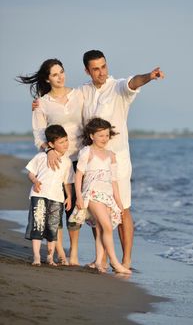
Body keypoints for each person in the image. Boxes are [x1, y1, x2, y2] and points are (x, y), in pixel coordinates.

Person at [31, 51, 165, 268]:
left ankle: (126, 260)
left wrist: (149, 76)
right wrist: (40, 104)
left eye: (103, 66)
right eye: (96, 68)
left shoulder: (118, 87)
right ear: (87, 71)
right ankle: (100, 258)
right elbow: (62, 104)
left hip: (117, 160)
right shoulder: (83, 91)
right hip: (92, 160)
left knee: (123, 209)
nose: (101, 72)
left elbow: (133, 82)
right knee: (97, 209)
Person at [17, 59, 84, 265]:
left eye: (62, 72)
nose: (60, 77)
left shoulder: (79, 95)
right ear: (48, 78)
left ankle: (73, 253)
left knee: (74, 209)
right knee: (57, 205)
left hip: (80, 159)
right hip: (57, 161)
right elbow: (38, 135)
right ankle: (61, 253)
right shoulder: (42, 103)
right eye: (55, 74)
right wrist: (49, 150)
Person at [69, 117, 131, 274]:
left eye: (107, 135)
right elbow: (78, 176)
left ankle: (98, 261)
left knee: (101, 229)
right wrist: (79, 197)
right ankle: (116, 263)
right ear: (92, 136)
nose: (105, 138)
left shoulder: (111, 155)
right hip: (92, 194)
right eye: (101, 135)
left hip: (108, 196)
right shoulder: (86, 152)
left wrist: (118, 202)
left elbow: (114, 181)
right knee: (107, 227)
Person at [25, 124, 74, 266]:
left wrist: (69, 197)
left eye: (66, 140)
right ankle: (36, 257)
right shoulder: (41, 156)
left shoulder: (67, 161)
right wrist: (35, 181)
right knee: (38, 225)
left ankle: (50, 257)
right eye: (61, 142)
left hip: (57, 197)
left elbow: (67, 182)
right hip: (39, 194)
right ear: (51, 144)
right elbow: (30, 172)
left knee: (53, 227)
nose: (65, 144)